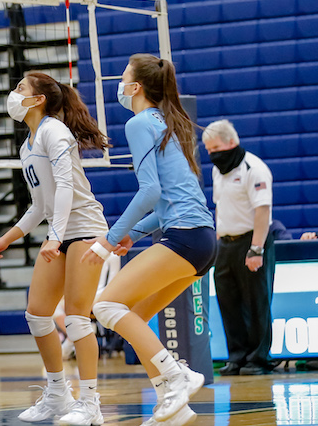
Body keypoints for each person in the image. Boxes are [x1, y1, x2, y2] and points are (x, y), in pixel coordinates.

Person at [83, 54, 216, 426]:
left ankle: (178, 377)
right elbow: (166, 201)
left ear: (136, 87)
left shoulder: (140, 122)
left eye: (123, 77)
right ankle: (170, 404)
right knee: (135, 316)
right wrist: (131, 234)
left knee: (106, 307)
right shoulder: (169, 123)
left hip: (186, 239)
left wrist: (108, 240)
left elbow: (149, 191)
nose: (120, 84)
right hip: (204, 241)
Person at [0, 72, 110, 425]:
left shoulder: (55, 130)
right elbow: (40, 205)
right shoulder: (28, 144)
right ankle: (57, 394)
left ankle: (90, 404)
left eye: (21, 88)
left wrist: (56, 236)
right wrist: (7, 238)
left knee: (75, 317)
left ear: (38, 99)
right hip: (59, 229)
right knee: (37, 313)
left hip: (84, 227)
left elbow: (67, 187)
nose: (13, 93)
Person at [203, 119, 276, 376]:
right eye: (208, 150)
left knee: (256, 301)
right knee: (228, 301)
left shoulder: (254, 168)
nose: (212, 155)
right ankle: (237, 356)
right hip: (225, 243)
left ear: (231, 143)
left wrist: (256, 249)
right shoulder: (217, 171)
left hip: (251, 240)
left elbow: (262, 211)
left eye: (215, 148)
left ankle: (258, 357)